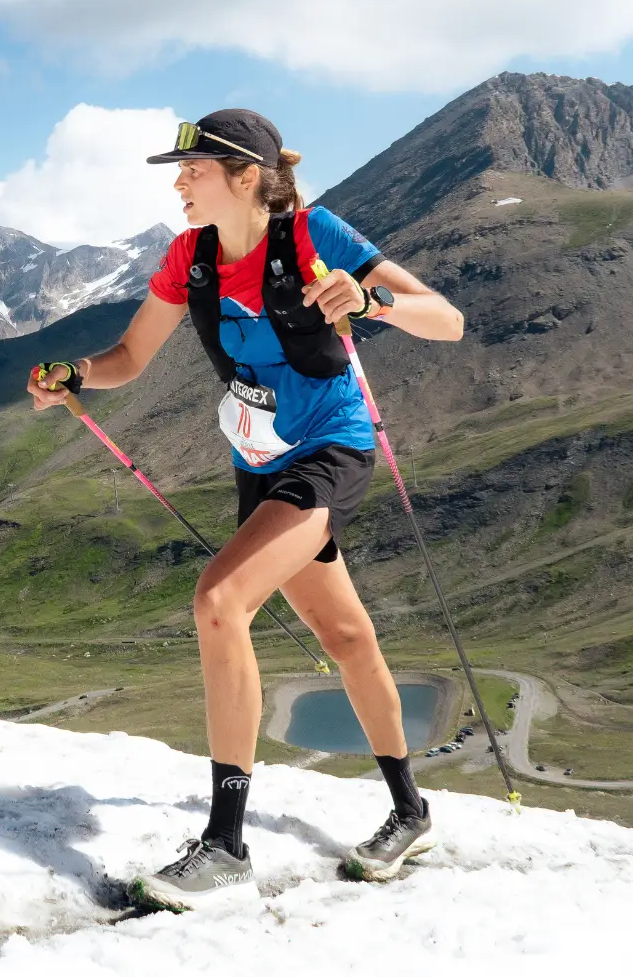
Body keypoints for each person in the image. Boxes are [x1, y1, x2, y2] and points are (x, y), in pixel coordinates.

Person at [26, 109, 464, 908]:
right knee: (345, 636)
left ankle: (225, 845)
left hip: (331, 450)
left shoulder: (314, 234)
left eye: (193, 170)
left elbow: (448, 319)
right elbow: (128, 357)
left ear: (246, 176)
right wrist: (73, 372)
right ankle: (412, 811)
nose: (177, 182)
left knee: (220, 600)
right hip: (257, 466)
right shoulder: (188, 257)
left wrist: (370, 304)